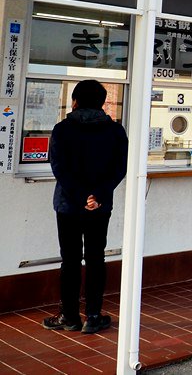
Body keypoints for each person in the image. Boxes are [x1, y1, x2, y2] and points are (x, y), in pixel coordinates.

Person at [43, 80, 128, 334]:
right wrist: (96, 197)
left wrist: (81, 197)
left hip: (68, 205)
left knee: (70, 260)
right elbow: (119, 168)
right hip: (99, 207)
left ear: (75, 101)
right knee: (95, 258)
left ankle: (70, 317)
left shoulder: (62, 129)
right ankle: (92, 316)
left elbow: (58, 168)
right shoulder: (115, 131)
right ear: (102, 102)